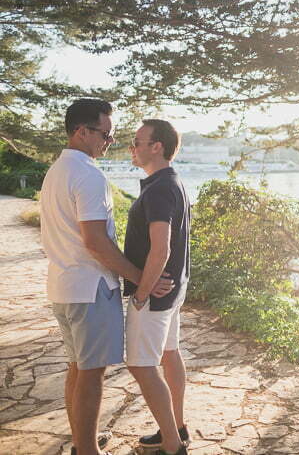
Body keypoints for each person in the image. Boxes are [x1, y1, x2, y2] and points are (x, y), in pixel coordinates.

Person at [40, 99, 173, 455]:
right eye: (106, 134)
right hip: (91, 288)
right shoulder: (88, 174)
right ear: (81, 131)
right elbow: (95, 241)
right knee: (91, 374)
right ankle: (87, 450)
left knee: (77, 368)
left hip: (63, 287)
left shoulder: (56, 171)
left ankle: (82, 441)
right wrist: (139, 277)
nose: (109, 142)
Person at [124, 119, 191, 455]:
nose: (131, 147)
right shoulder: (170, 181)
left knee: (140, 364)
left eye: (137, 141)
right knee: (169, 354)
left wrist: (140, 292)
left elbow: (160, 247)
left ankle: (172, 444)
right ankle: (177, 427)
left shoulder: (161, 187)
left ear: (157, 147)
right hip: (173, 289)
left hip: (155, 292)